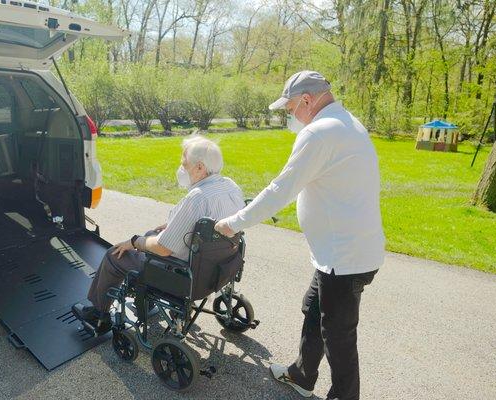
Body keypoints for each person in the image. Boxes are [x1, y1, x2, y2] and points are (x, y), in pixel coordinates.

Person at [215, 70, 385, 400]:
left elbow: (281, 189)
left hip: (345, 257)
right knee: (313, 308)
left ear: (307, 100)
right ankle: (302, 375)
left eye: (290, 108)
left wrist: (235, 222)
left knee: (338, 336)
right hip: (338, 253)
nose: (289, 115)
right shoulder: (345, 122)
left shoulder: (320, 133)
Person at [73, 135, 245, 335]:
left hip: (183, 274)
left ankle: (98, 315)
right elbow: (209, 226)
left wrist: (134, 242)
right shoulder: (230, 186)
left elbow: (163, 249)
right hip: (216, 269)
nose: (182, 168)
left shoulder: (197, 198)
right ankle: (142, 301)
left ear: (199, 167)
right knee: (152, 233)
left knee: (115, 255)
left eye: (184, 164)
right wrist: (166, 228)